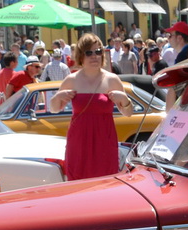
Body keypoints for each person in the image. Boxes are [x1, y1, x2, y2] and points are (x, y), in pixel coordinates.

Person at [49, 33, 133, 179]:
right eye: (89, 53)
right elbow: (54, 109)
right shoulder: (72, 79)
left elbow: (128, 113)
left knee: (106, 184)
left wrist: (125, 99)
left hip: (104, 141)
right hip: (79, 141)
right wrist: (58, 97)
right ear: (81, 56)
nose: (94, 56)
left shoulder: (112, 79)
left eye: (98, 52)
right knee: (78, 184)